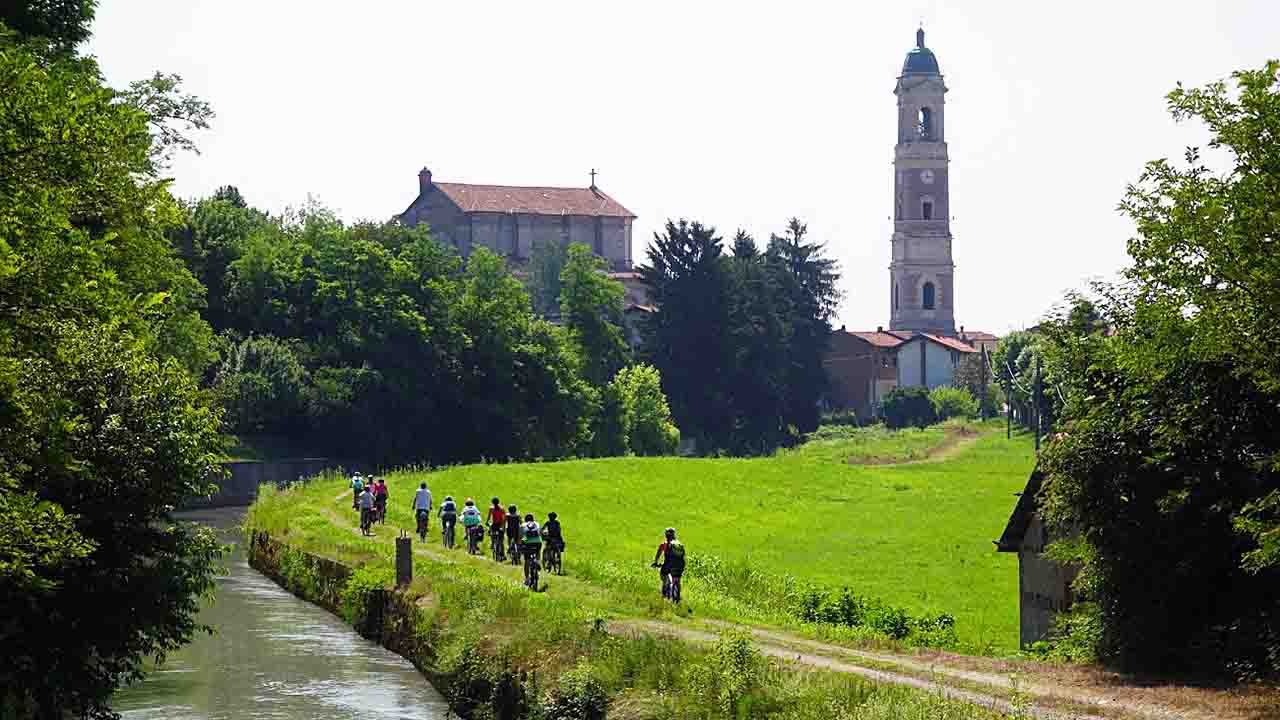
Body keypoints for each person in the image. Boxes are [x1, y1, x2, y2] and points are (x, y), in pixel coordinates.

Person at [651, 527, 686, 600]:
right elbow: (683, 556)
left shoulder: (665, 544)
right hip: (680, 565)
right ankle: (677, 595)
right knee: (677, 578)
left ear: (666, 535)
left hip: (669, 564)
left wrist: (656, 563)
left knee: (664, 575)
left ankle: (664, 595)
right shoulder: (679, 544)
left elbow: (658, 554)